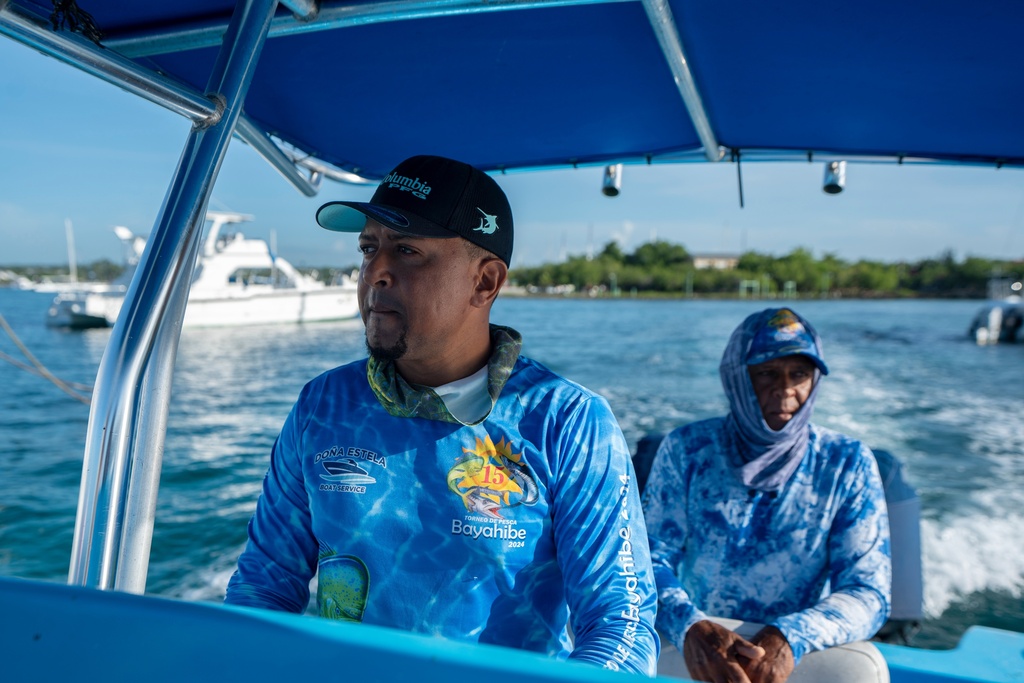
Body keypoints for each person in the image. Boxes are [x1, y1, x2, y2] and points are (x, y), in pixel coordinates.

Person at [224, 154, 659, 675]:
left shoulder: (566, 422)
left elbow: (621, 621)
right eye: (368, 248)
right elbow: (263, 584)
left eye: (406, 250)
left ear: (485, 282)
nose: (375, 273)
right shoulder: (322, 405)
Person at [642, 307, 891, 683]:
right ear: (738, 378)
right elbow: (648, 562)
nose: (786, 389)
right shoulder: (687, 450)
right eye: (767, 373)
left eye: (800, 374)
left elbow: (869, 591)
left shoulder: (847, 463)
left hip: (796, 656)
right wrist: (690, 626)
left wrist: (791, 635)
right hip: (697, 645)